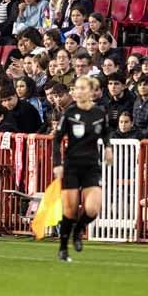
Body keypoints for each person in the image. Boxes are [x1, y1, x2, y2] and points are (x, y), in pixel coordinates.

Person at [52, 75, 113, 262]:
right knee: (69, 210)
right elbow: (56, 139)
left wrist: (108, 148)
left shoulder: (99, 113)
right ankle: (63, 248)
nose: (77, 91)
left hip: (91, 166)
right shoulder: (69, 113)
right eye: (75, 88)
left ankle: (78, 230)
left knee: (93, 208)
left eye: (82, 88)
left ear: (92, 91)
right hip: (71, 166)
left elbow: (105, 134)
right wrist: (57, 164)